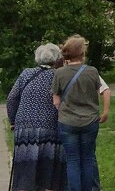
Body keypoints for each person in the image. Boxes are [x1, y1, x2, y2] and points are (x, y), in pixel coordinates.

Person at [51, 36, 110, 191]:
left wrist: (65, 111)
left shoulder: (59, 73)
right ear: (82, 52)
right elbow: (99, 92)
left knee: (72, 160)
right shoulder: (92, 71)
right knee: (88, 158)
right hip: (90, 121)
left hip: (67, 122)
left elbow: (56, 100)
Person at [5, 43, 67, 191]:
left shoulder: (26, 73)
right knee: (49, 170)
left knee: (24, 167)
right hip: (50, 126)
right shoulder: (58, 75)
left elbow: (11, 98)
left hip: (24, 128)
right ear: (57, 58)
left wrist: (13, 121)